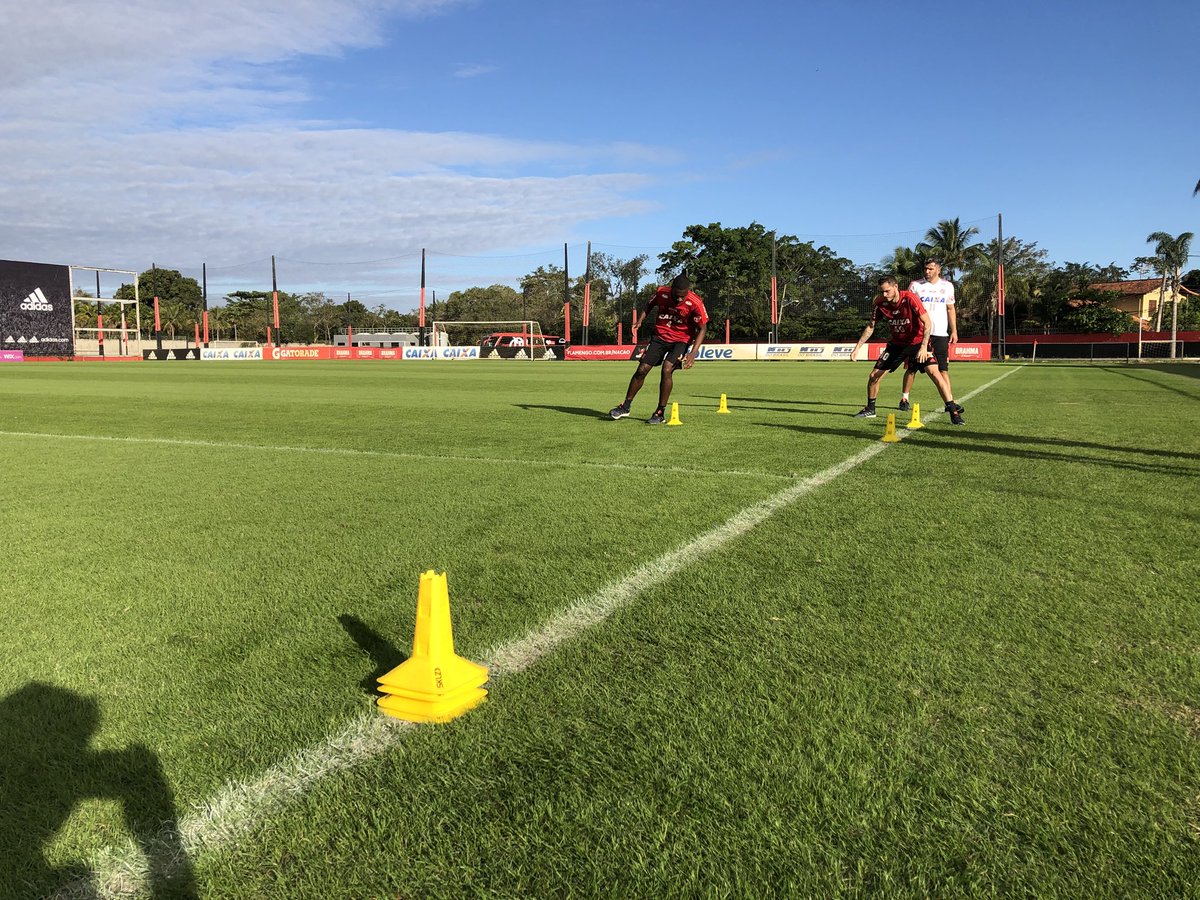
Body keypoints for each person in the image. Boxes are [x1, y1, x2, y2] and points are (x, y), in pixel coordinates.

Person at [851, 275, 965, 425]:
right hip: (896, 345)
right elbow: (871, 326)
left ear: (896, 287)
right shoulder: (880, 303)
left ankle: (953, 412)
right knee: (873, 376)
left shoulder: (910, 298)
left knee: (935, 373)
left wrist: (923, 347)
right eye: (882, 292)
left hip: (918, 343)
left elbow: (927, 323)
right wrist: (857, 347)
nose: (884, 295)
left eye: (887, 291)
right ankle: (870, 409)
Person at [609, 274, 708, 424]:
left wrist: (693, 353)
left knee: (667, 369)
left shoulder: (695, 302)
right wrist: (640, 320)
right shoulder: (661, 292)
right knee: (642, 370)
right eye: (677, 295)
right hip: (659, 337)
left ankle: (660, 412)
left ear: (688, 291)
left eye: (683, 296)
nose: (679, 299)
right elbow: (648, 305)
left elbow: (702, 328)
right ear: (671, 288)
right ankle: (625, 407)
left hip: (681, 341)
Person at [898, 256, 958, 411]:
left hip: (940, 334)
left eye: (931, 268)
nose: (927, 271)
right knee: (911, 368)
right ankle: (904, 398)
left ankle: (950, 401)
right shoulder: (916, 285)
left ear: (938, 269)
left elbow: (950, 309)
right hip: (918, 334)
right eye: (925, 268)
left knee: (943, 369)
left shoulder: (947, 286)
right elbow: (907, 309)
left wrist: (954, 331)